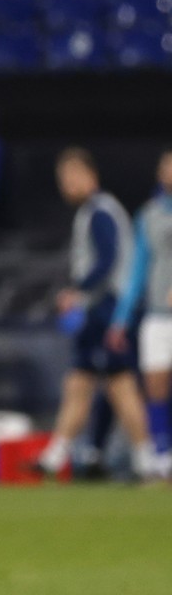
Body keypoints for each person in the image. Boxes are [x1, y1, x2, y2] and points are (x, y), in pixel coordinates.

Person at [35, 148, 160, 479]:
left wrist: (77, 291)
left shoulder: (101, 211)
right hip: (100, 310)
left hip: (108, 310)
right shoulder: (93, 211)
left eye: (73, 177)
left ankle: (146, 458)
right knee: (79, 383)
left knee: (120, 385)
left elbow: (107, 261)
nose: (68, 185)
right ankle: (54, 455)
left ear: (91, 175)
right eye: (64, 179)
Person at [106, 149, 172, 480]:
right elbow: (137, 271)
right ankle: (162, 455)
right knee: (156, 384)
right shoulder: (149, 216)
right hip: (159, 315)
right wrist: (121, 318)